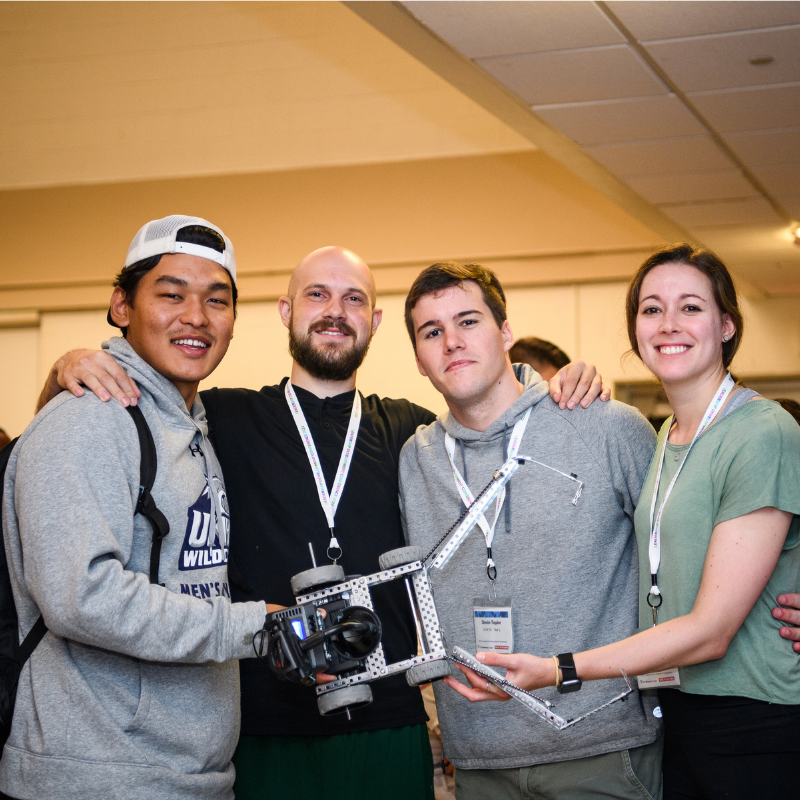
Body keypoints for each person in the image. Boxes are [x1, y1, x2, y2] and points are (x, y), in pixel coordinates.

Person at [37, 247, 609, 800]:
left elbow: (496, 428)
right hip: (259, 729)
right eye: (317, 295)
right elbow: (75, 444)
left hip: (389, 721)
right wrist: (66, 370)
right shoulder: (222, 419)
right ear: (287, 312)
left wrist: (560, 384)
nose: (335, 311)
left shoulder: (414, 434)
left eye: (353, 298)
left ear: (375, 320)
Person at [451, 245, 800, 800]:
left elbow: (711, 630)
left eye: (690, 308)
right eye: (651, 309)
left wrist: (560, 668)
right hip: (676, 712)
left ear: (727, 324)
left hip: (754, 722)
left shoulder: (763, 430)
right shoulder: (662, 437)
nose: (668, 325)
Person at [0, 215, 270, 800]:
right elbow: (81, 596)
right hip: (98, 775)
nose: (196, 316)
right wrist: (254, 627)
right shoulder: (91, 418)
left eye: (216, 300)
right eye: (171, 294)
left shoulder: (193, 428)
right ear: (121, 305)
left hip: (182, 775)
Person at [399, 261, 663, 800]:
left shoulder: (605, 427)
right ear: (419, 361)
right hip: (478, 761)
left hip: (602, 751)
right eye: (432, 332)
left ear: (505, 333)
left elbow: (691, 556)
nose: (451, 341)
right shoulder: (414, 458)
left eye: (468, 321)